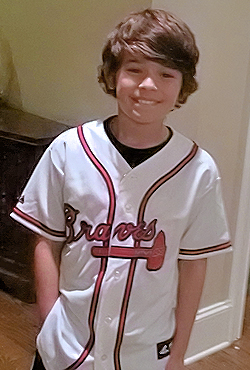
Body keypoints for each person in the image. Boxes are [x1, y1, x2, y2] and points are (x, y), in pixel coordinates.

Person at [11, 8, 231, 370]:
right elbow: (46, 239)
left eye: (165, 73)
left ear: (182, 85)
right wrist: (50, 323)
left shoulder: (198, 169)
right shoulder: (69, 149)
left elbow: (193, 266)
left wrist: (178, 354)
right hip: (68, 344)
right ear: (113, 75)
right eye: (134, 69)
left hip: (145, 352)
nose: (148, 85)